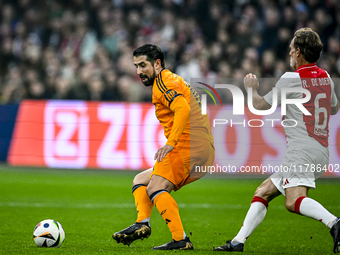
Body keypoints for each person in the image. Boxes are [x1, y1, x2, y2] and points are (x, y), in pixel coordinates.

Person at [214, 28, 340, 253]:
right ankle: (238, 242)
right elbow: (334, 108)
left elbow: (260, 106)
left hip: (302, 150)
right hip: (321, 149)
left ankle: (335, 223)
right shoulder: (326, 77)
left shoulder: (292, 79)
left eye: (292, 50)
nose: (290, 55)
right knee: (264, 191)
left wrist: (251, 89)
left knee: (293, 201)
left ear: (299, 52)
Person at [112, 44, 215, 250]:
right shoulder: (170, 79)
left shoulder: (164, 83)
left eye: (143, 65)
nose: (139, 71)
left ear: (157, 64)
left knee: (156, 187)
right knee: (141, 180)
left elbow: (183, 110)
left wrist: (171, 143)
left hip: (189, 147)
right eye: (136, 66)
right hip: (201, 148)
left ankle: (181, 240)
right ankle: (142, 223)